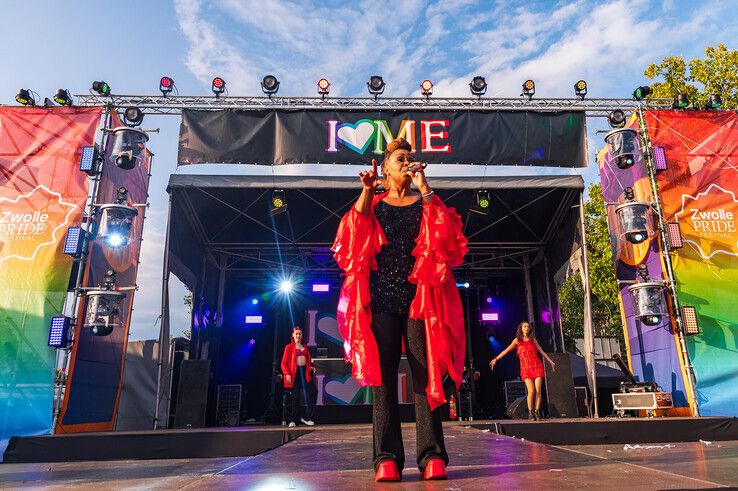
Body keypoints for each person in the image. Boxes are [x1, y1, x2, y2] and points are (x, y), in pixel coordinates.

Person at [332, 138, 468, 482]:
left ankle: (432, 456)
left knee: (426, 376)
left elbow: (448, 239)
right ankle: (387, 457)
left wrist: (426, 189)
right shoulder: (374, 203)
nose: (407, 162)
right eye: (400, 158)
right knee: (383, 380)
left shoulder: (426, 203)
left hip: (420, 302)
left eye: (410, 158)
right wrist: (365, 190)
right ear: (387, 167)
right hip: (380, 299)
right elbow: (352, 237)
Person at [489, 321, 556, 420]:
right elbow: (506, 350)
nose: (527, 328)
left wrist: (551, 362)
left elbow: (541, 351)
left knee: (538, 391)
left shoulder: (533, 340)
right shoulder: (517, 340)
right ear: (521, 328)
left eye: (528, 327)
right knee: (531, 390)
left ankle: (537, 412)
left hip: (536, 366)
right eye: (525, 326)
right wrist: (496, 359)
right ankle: (530, 412)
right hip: (525, 368)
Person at [281, 327, 317, 427]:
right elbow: (283, 363)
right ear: (293, 335)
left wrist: (310, 368)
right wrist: (287, 374)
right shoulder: (289, 347)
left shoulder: (304, 346)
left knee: (313, 392)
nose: (298, 336)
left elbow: (307, 360)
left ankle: (308, 418)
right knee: (295, 397)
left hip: (304, 373)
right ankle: (294, 420)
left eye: (300, 334)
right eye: (296, 334)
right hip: (294, 374)